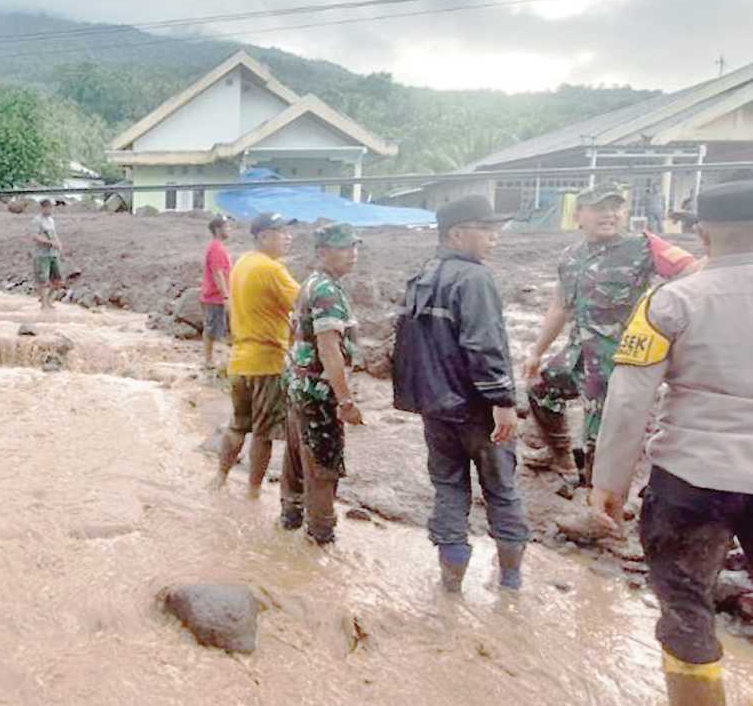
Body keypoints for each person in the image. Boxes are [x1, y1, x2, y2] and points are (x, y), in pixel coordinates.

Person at [589, 181, 753, 706]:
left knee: (685, 601)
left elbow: (629, 401)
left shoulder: (671, 300)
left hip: (691, 478)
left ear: (703, 233)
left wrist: (608, 484)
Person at [522, 186, 697, 492]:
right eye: (598, 208)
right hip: (580, 351)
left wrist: (659, 308)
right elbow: (560, 306)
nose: (609, 214)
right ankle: (559, 454)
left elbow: (693, 271)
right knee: (540, 389)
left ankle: (596, 500)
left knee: (600, 430)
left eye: (615, 207)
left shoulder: (644, 246)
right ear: (578, 216)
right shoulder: (571, 256)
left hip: (620, 358)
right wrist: (537, 351)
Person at [393, 195, 527, 592]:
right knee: (502, 491)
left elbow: (405, 346)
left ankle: (450, 588)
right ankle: (510, 585)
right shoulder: (475, 278)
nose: (494, 237)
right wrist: (503, 401)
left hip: (436, 408)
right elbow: (484, 346)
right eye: (485, 229)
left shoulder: (422, 275)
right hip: (477, 409)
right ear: (456, 233)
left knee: (449, 490)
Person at [279, 223, 365, 545]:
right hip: (318, 392)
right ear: (322, 253)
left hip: (298, 385)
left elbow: (293, 333)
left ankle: (290, 519)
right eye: (344, 248)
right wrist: (345, 402)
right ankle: (320, 536)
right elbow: (329, 348)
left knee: (297, 457)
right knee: (322, 465)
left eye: (354, 247)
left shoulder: (309, 284)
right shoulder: (327, 291)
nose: (352, 254)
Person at [213, 213, 300, 494]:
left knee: (237, 425)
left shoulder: (243, 263)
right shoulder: (272, 269)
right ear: (263, 237)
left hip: (239, 361)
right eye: (282, 232)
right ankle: (253, 493)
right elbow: (306, 302)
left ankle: (220, 479)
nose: (289, 237)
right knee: (263, 435)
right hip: (267, 363)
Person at [199, 216, 233, 369]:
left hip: (217, 296)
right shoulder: (216, 249)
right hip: (214, 297)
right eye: (227, 227)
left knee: (217, 329)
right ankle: (208, 360)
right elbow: (217, 273)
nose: (229, 230)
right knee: (212, 329)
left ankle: (212, 359)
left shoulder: (217, 247)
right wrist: (226, 296)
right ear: (218, 229)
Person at [31, 199, 63, 310]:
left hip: (53, 253)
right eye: (50, 207)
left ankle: (49, 300)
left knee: (58, 280)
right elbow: (35, 236)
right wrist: (50, 242)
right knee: (43, 280)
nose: (52, 210)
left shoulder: (51, 220)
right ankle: (43, 304)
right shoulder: (37, 221)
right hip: (42, 254)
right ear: (43, 208)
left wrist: (58, 243)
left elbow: (54, 234)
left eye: (52, 207)